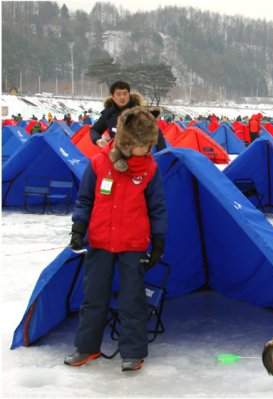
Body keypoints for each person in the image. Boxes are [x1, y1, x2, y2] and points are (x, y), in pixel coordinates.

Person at [64, 106, 168, 372]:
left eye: (149, 145)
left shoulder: (150, 169)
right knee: (94, 297)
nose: (147, 150)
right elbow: (85, 199)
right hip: (100, 241)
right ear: (126, 142)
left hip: (133, 244)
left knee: (132, 299)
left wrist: (158, 240)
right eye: (142, 145)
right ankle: (87, 347)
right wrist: (79, 228)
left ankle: (132, 351)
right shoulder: (99, 163)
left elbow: (157, 207)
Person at [90, 81, 167, 151]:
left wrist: (162, 153)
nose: (122, 97)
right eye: (118, 94)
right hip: (116, 155)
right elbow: (94, 130)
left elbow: (156, 132)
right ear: (113, 97)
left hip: (138, 155)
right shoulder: (108, 114)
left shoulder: (140, 112)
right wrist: (98, 140)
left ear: (129, 95)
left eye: (125, 94)